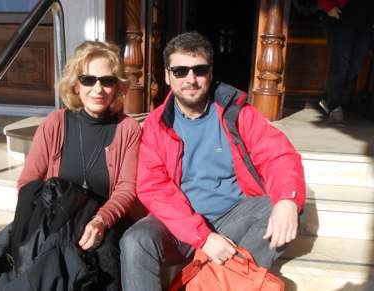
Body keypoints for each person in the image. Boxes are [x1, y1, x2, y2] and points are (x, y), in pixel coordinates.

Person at [120, 31, 306, 291]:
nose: (191, 79)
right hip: (179, 223)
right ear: (166, 76)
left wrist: (286, 199)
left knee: (281, 209)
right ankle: (212, 274)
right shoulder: (156, 124)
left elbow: (277, 154)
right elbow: (154, 187)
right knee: (135, 241)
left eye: (199, 70)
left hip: (233, 219)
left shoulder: (236, 113)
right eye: (180, 71)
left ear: (210, 73)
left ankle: (200, 280)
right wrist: (203, 237)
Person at [17, 40, 141, 289]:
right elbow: (28, 182)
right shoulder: (55, 124)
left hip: (105, 222)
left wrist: (100, 220)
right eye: (88, 80)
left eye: (107, 80)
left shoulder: (127, 129)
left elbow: (127, 188)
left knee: (103, 256)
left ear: (117, 86)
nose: (98, 89)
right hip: (59, 220)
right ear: (75, 84)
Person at [318, 0, 374, 125]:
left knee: (355, 66)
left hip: (365, 18)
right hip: (340, 14)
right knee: (340, 65)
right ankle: (334, 107)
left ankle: (329, 99)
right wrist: (328, 6)